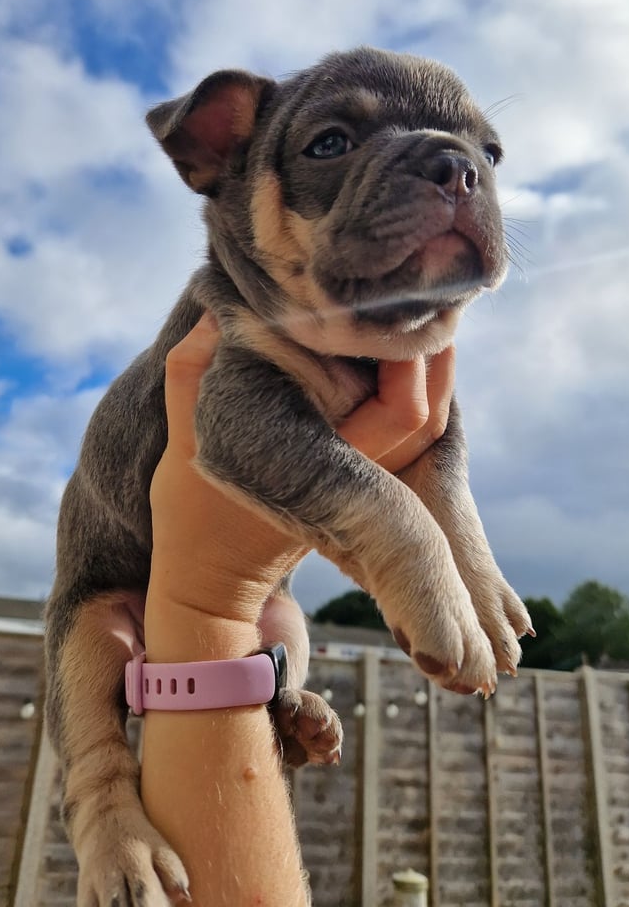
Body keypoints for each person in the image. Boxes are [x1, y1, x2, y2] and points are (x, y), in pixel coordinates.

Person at [139, 314, 456, 906]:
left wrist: (210, 601)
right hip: (121, 581)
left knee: (285, 614)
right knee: (90, 621)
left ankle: (279, 694)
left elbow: (429, 437)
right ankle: (98, 801)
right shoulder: (260, 325)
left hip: (238, 599)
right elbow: (252, 429)